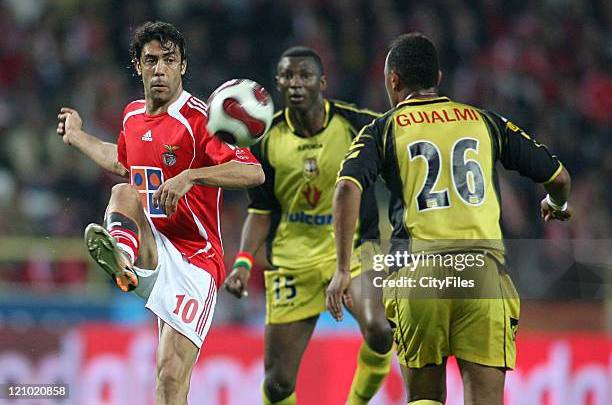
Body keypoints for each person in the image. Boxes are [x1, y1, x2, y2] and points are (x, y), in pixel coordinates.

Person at [326, 33, 571, 405]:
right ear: (437, 77)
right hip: (481, 271)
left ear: (393, 80)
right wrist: (556, 202)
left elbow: (346, 189)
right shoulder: (484, 121)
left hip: (419, 273)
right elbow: (560, 178)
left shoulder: (383, 128)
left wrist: (344, 269)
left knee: (425, 397)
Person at [56, 21, 264, 404]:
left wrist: (192, 176)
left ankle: (126, 261)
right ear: (137, 66)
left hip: (196, 260)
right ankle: (122, 259)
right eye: (151, 60)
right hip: (153, 242)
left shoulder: (200, 118)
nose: (160, 69)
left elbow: (253, 171)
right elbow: (123, 162)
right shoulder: (132, 115)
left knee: (169, 378)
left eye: (169, 60)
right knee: (124, 191)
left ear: (183, 66)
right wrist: (77, 136)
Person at [224, 46, 394, 405]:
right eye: (288, 76)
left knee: (380, 331)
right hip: (292, 260)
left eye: (304, 76)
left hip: (355, 251)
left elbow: (401, 164)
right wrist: (242, 263)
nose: (296, 83)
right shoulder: (267, 138)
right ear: (278, 84)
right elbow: (261, 209)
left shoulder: (358, 125)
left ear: (322, 82)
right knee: (277, 385)